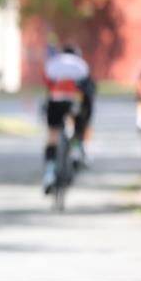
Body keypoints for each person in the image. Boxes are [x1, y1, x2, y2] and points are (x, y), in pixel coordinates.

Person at [42, 44, 95, 193]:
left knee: (52, 134)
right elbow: (89, 90)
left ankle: (49, 172)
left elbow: (47, 83)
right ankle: (77, 150)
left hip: (55, 102)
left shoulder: (53, 63)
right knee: (78, 126)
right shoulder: (81, 65)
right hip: (74, 102)